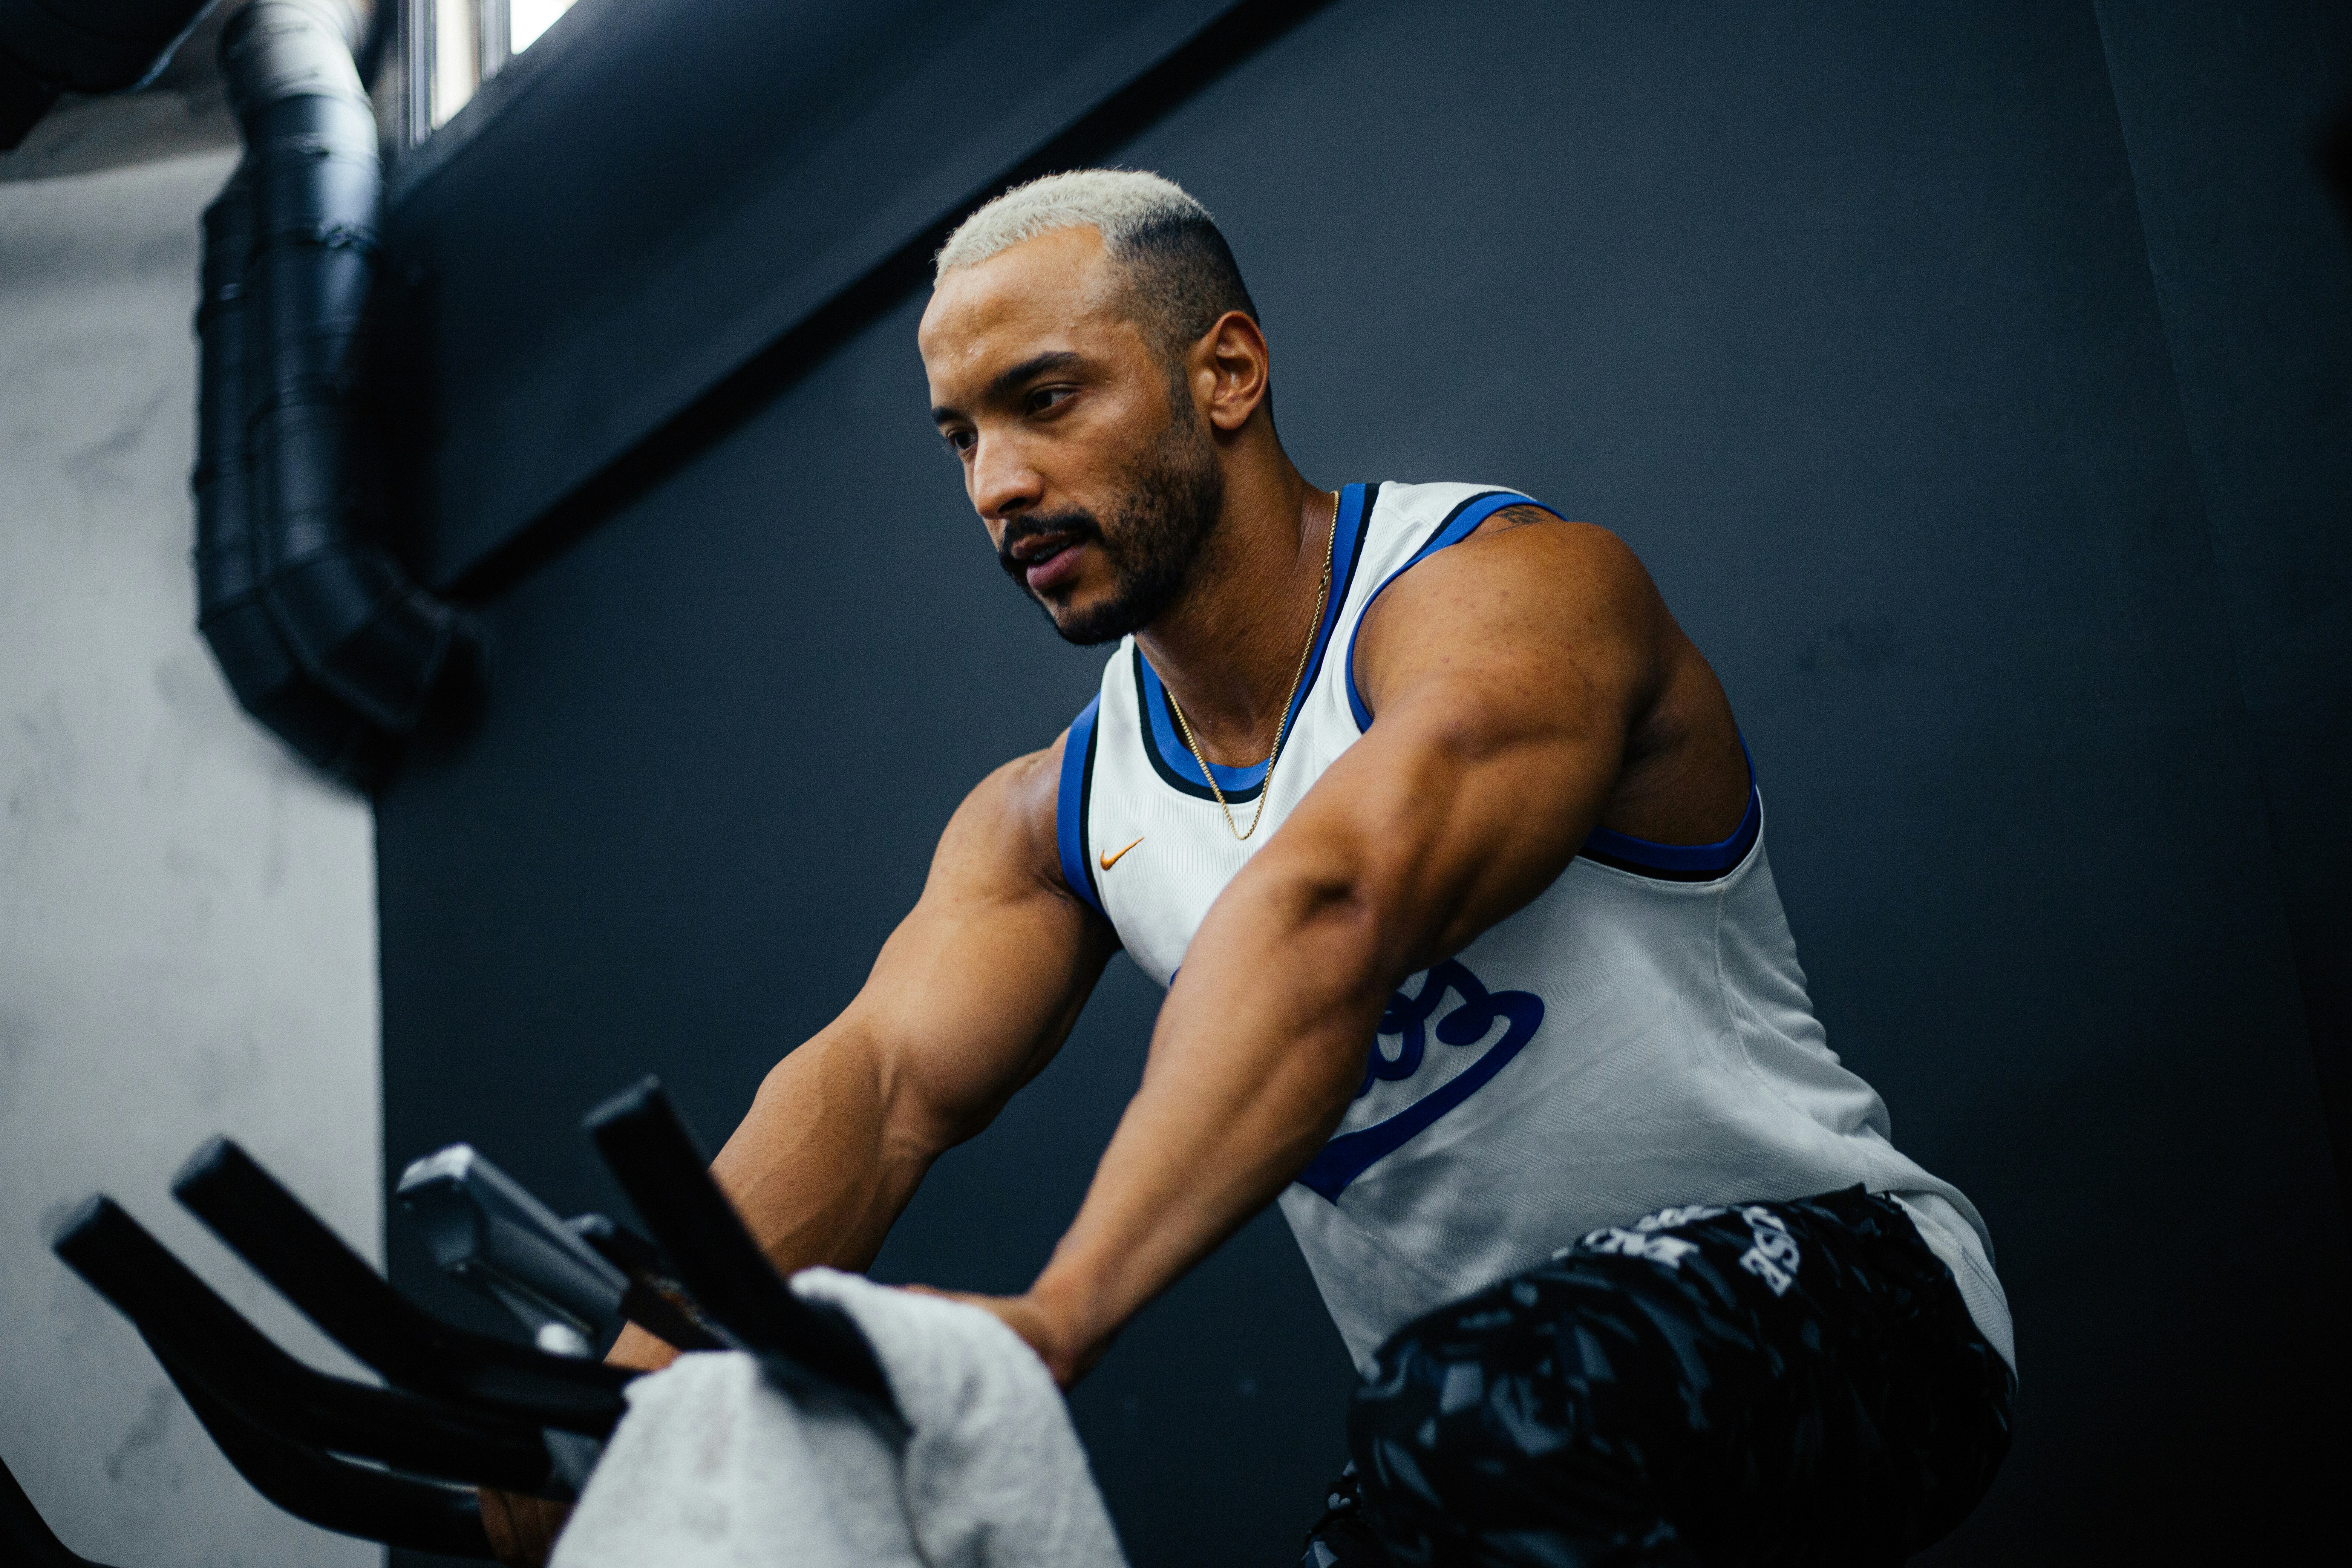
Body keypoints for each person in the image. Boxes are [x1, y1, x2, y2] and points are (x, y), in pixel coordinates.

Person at [483, 168, 2014, 1567]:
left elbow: (1336, 902)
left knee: (1473, 1400)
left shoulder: (1507, 594)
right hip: (1479, 1430)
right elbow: (879, 1089)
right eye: (962, 437)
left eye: (1045, 400)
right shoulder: (1059, 814)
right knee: (1454, 1422)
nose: (994, 485)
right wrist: (629, 1384)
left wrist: (1062, 1313)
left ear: (1226, 371)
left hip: (1855, 1307)